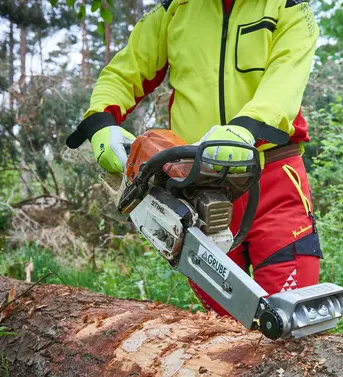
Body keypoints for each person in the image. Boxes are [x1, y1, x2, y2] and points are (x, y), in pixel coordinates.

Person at [67, 0, 322, 315]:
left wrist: (244, 130)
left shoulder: (289, 7)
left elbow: (286, 79)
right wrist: (101, 121)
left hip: (272, 181)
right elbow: (126, 70)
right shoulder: (174, 8)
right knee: (223, 326)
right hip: (195, 187)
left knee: (290, 319)